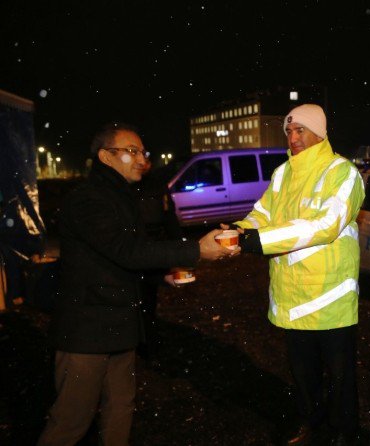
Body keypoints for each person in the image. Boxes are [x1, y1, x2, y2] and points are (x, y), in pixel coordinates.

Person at [37, 122, 238, 446]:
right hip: (86, 333)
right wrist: (196, 250)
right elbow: (126, 251)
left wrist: (162, 276)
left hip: (120, 326)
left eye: (142, 152)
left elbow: (122, 259)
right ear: (105, 156)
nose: (142, 158)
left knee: (120, 411)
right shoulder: (88, 199)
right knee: (71, 421)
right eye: (131, 151)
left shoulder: (121, 197)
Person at [231, 104, 365, 445]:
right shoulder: (282, 174)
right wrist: (236, 231)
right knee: (303, 375)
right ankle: (312, 422)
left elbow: (326, 225)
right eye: (289, 131)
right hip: (293, 297)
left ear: (319, 132)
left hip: (330, 298)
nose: (293, 137)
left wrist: (256, 241)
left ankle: (344, 433)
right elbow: (261, 214)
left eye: (300, 130)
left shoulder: (342, 172)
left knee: (340, 377)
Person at [134, 157, 184, 364]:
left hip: (153, 252)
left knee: (148, 299)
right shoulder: (124, 185)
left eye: (146, 156)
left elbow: (169, 217)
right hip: (134, 251)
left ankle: (146, 343)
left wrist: (179, 250)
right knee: (134, 298)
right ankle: (137, 340)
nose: (143, 161)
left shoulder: (157, 185)